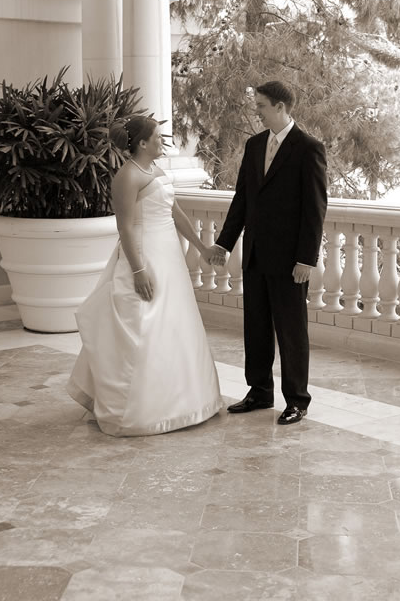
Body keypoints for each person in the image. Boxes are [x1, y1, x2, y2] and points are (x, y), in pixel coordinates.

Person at [67, 116, 222, 436]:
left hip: (169, 256)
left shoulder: (157, 171)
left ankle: (184, 400)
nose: (161, 141)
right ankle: (134, 408)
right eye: (157, 137)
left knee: (173, 322)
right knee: (142, 323)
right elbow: (124, 228)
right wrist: (138, 270)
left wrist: (202, 248)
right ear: (141, 143)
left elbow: (175, 213)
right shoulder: (127, 176)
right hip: (144, 255)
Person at [210, 81, 327, 425]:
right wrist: (224, 243)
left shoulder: (309, 148)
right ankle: (259, 392)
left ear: (280, 107)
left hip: (290, 260)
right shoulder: (254, 144)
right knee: (256, 327)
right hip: (255, 255)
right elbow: (242, 199)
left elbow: (315, 208)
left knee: (291, 332)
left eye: (261, 105)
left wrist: (306, 259)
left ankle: (297, 400)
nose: (256, 111)